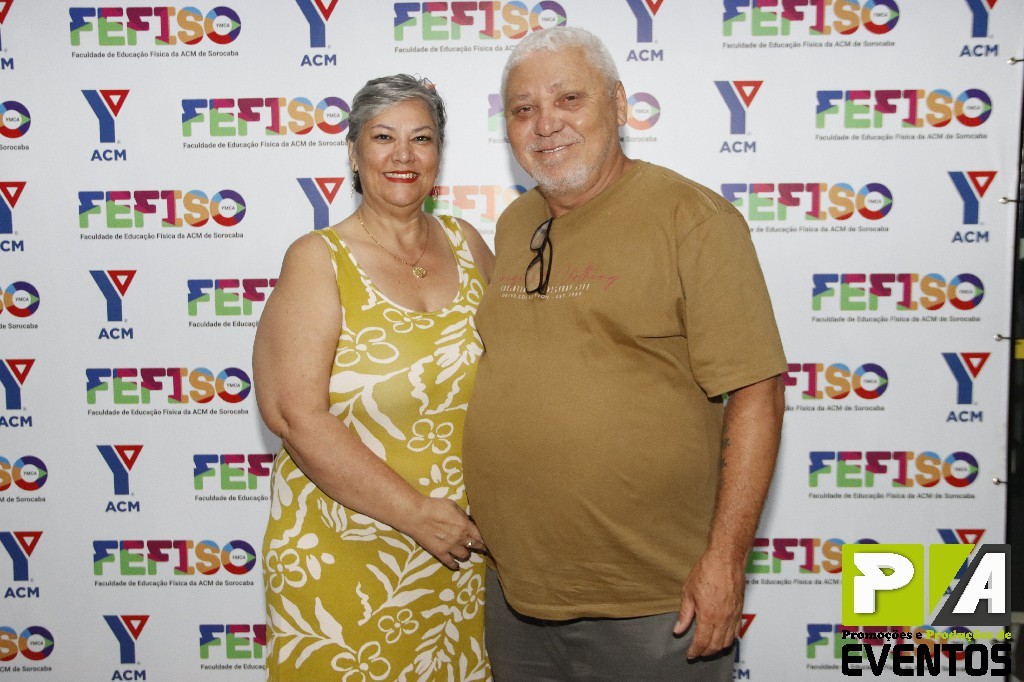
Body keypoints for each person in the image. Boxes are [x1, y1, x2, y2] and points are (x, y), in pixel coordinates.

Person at [462, 27, 787, 681]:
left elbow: (759, 393)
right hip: (519, 593)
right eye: (523, 109)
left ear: (617, 103)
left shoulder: (693, 218)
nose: (545, 123)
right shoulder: (517, 224)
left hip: (656, 603)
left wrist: (725, 561)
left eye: (568, 99)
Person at [254, 74, 494, 681]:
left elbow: (516, 376)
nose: (403, 155)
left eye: (422, 138)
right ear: (354, 153)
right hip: (345, 556)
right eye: (383, 137)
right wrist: (416, 514)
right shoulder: (318, 258)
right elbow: (294, 415)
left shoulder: (468, 244)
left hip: (462, 555)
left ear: (439, 152)